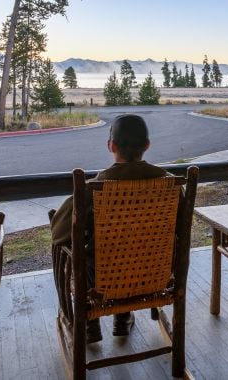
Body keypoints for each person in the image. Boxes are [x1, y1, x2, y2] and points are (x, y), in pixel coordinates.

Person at [49, 114, 168, 343]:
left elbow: (59, 232)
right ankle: (122, 319)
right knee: (132, 247)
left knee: (85, 250)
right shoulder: (168, 182)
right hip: (155, 275)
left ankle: (90, 323)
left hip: (101, 280)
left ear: (111, 146)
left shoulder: (93, 188)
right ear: (147, 145)